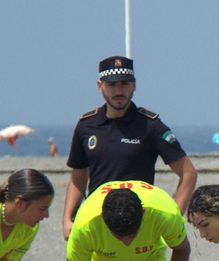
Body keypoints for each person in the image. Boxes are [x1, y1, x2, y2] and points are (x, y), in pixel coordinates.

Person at [62, 56, 197, 240]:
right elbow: (78, 179)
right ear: (100, 86)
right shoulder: (86, 125)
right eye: (112, 85)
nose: (119, 91)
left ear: (134, 85)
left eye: (125, 84)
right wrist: (67, 220)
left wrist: (173, 216)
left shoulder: (150, 125)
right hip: (98, 222)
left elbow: (187, 172)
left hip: (139, 225)